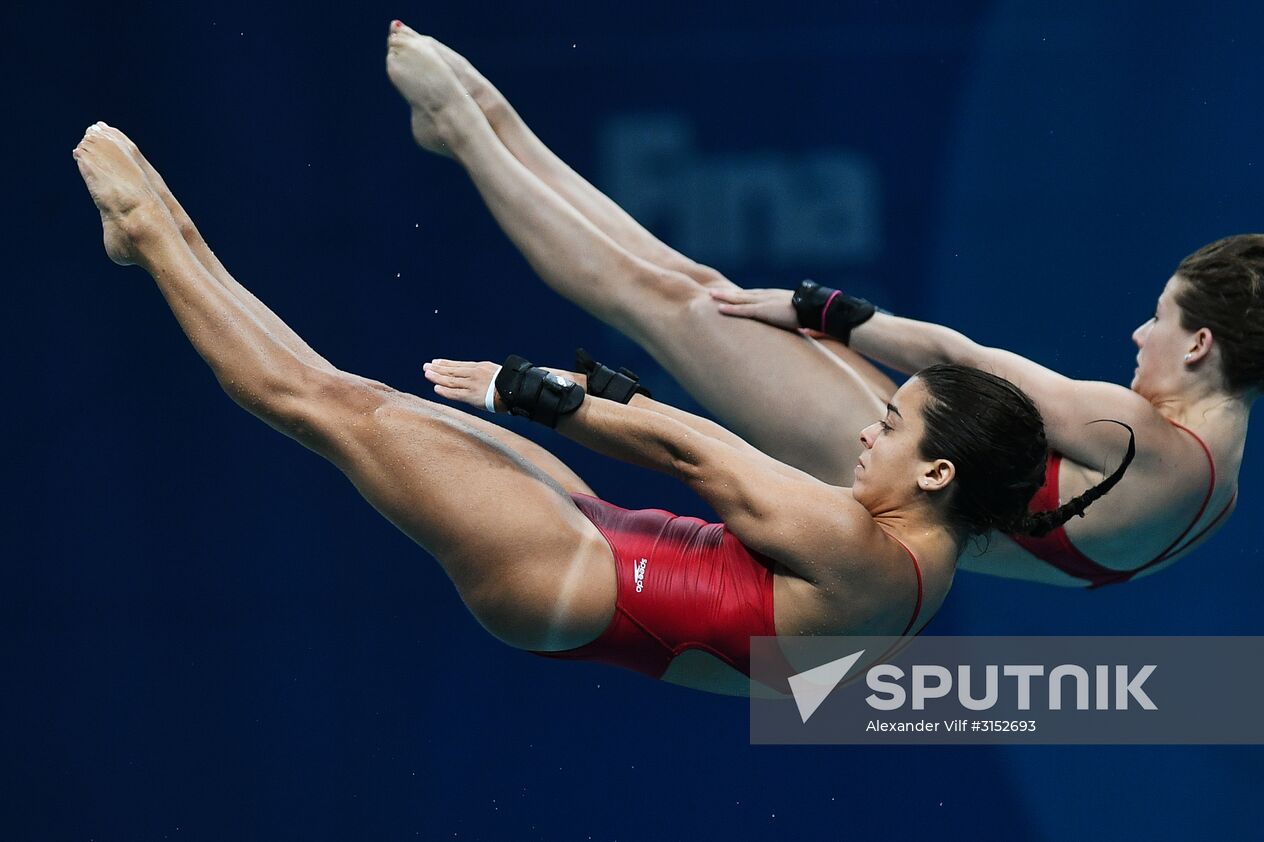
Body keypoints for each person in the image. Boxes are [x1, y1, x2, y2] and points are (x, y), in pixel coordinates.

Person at [72, 121, 1129, 696]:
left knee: (327, 403)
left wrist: (525, 391)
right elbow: (733, 600)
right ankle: (153, 245)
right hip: (604, 561)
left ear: (938, 473)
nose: (867, 428)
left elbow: (694, 451)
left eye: (892, 426)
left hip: (577, 572)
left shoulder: (861, 550)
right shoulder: (920, 574)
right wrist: (582, 407)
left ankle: (154, 228)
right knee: (364, 407)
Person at [385, 22, 1264, 587]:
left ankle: (473, 126)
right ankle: (482, 121)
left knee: (664, 297)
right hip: (905, 486)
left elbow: (953, 349)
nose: (1136, 334)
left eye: (1158, 319)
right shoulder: (1219, 492)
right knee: (675, 286)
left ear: (1202, 342)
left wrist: (811, 305)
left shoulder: (1147, 437)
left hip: (869, 444)